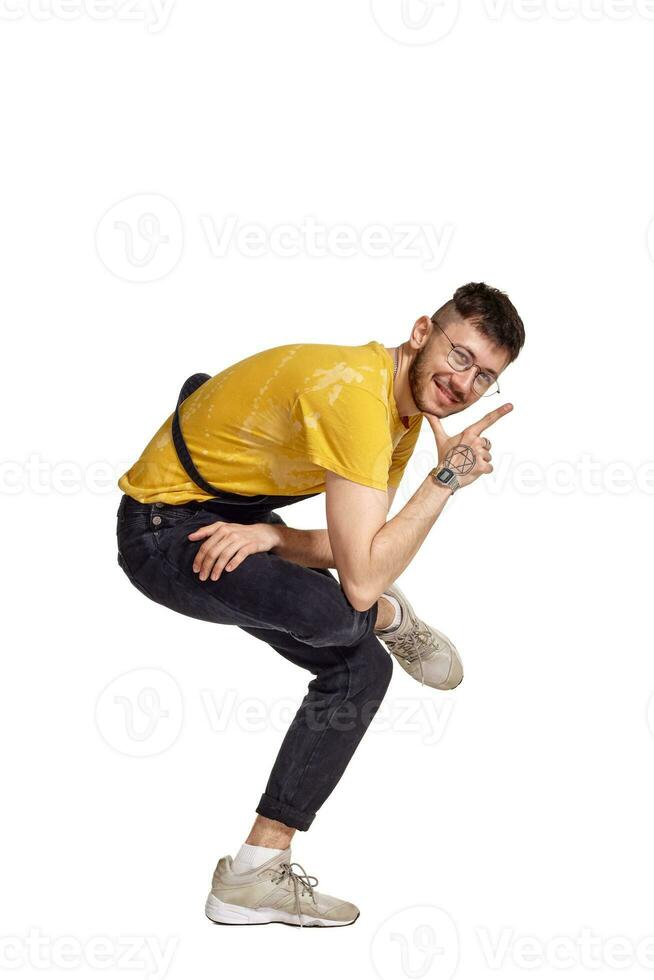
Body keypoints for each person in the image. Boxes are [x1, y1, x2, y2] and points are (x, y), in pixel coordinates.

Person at [115, 281, 525, 928]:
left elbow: (356, 547)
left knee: (363, 670)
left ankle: (253, 874)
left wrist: (274, 534)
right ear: (422, 332)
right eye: (460, 355)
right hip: (164, 530)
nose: (464, 382)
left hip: (230, 507)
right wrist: (443, 484)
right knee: (347, 615)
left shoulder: (400, 412)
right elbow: (362, 580)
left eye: (485, 377)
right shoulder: (358, 399)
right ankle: (398, 620)